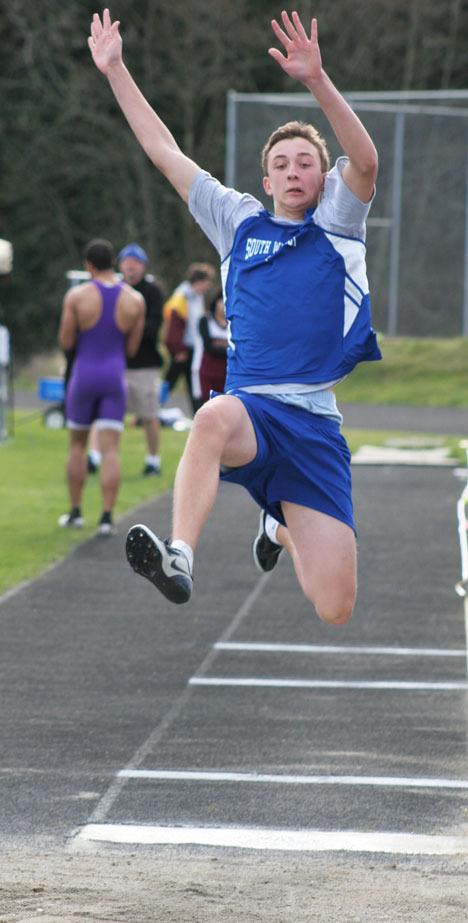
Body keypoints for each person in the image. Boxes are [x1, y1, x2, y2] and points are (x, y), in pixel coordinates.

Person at [88, 10, 380, 619]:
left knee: (335, 606)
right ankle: (179, 558)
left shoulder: (338, 221)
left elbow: (366, 161)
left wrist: (318, 82)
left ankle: (276, 528)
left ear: (322, 177)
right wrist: (115, 70)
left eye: (305, 162)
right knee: (212, 415)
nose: (293, 171)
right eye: (281, 164)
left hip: (314, 426)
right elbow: (163, 150)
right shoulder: (237, 221)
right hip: (251, 410)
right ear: (265, 179)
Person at [58, 238, 144, 534]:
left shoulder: (77, 296)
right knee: (110, 451)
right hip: (114, 376)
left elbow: (66, 342)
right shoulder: (135, 300)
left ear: (88, 266)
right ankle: (107, 518)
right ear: (114, 263)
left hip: (84, 374)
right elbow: (132, 349)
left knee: (77, 446)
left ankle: (76, 512)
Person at [118, 243, 165, 475]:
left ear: (143, 267)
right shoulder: (115, 289)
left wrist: (128, 329)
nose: (131, 268)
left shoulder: (153, 292)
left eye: (135, 264)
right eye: (127, 264)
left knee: (149, 415)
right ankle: (101, 457)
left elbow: (153, 327)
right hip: (118, 363)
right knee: (109, 414)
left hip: (145, 364)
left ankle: (153, 460)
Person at [160, 262, 216, 415]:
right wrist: (178, 349)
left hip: (191, 348)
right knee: (170, 380)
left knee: (192, 383)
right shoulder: (182, 296)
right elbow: (174, 326)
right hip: (182, 349)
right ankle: (150, 410)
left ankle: (197, 413)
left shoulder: (197, 296)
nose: (208, 286)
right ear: (199, 281)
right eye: (207, 282)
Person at [192, 290, 228, 405]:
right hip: (207, 370)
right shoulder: (205, 320)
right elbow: (208, 347)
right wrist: (228, 351)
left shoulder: (234, 324)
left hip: (226, 372)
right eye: (221, 300)